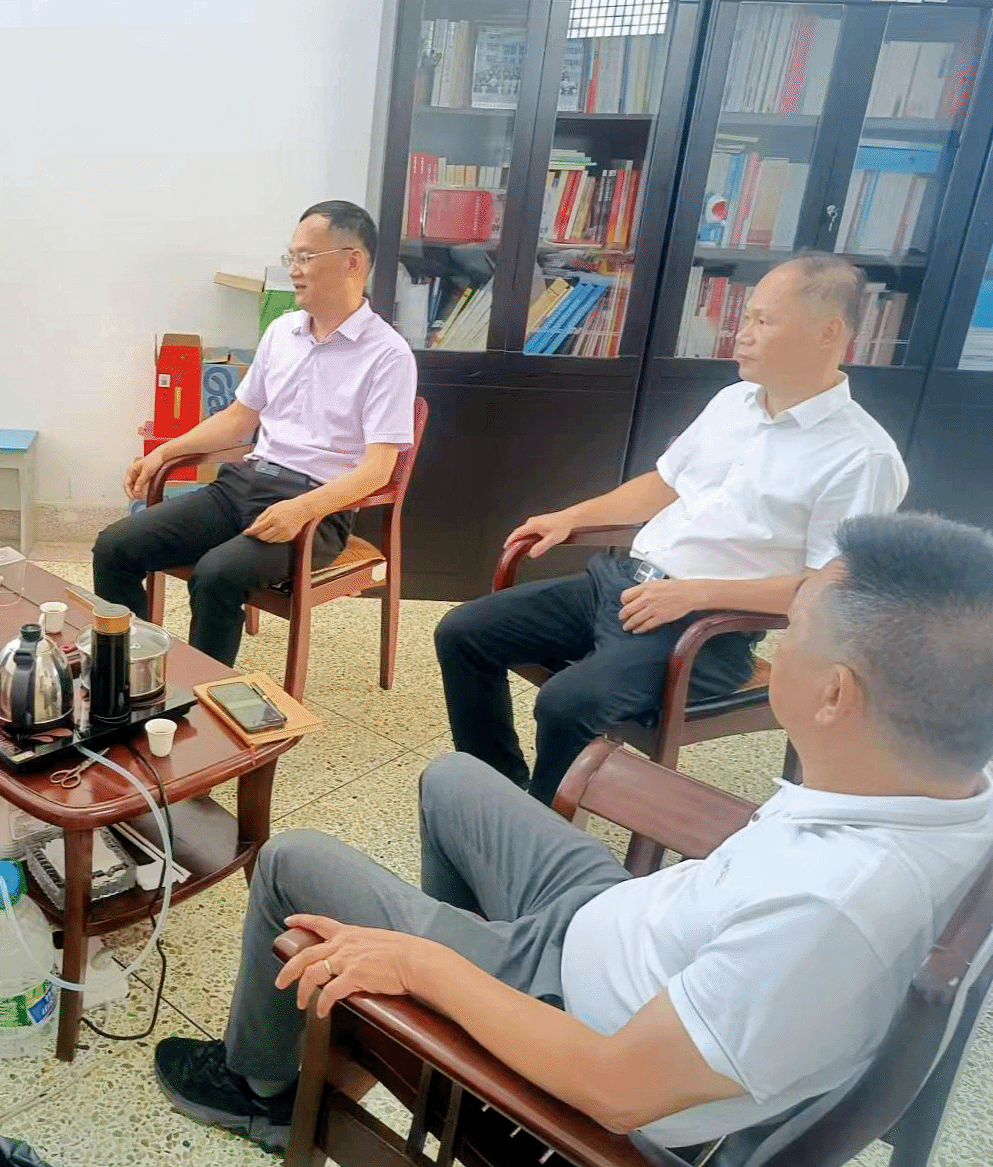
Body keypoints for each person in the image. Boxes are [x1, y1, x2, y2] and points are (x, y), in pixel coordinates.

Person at [155, 510, 993, 1155]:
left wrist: (422, 966)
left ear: (835, 695)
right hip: (626, 926)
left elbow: (617, 1088)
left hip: (575, 1010)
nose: (775, 640)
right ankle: (449, 991)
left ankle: (262, 1090)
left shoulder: (828, 914)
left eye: (793, 629)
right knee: (454, 779)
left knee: (291, 860)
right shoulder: (947, 786)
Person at [436, 253, 908, 804]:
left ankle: (532, 829)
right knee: (463, 632)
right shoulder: (733, 401)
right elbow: (663, 484)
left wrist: (693, 594)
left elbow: (828, 589)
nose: (742, 335)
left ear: (828, 332)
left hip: (707, 630)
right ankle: (497, 788)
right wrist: (570, 518)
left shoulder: (862, 456)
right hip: (625, 585)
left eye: (763, 321)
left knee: (567, 703)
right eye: (746, 318)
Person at [92, 201, 418, 665]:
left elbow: (378, 470)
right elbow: (238, 419)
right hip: (243, 484)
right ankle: (131, 673)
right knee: (115, 547)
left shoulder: (388, 355)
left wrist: (302, 510)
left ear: (353, 262)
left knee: (216, 575)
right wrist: (162, 453)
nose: (294, 270)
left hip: (317, 510)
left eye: (306, 257)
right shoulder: (282, 332)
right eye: (291, 257)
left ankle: (203, 697)